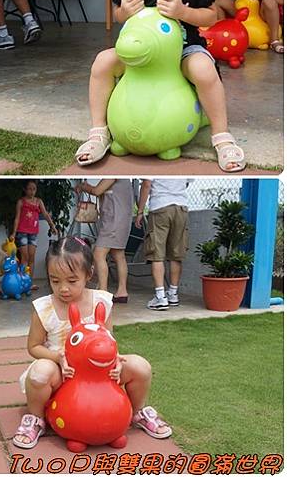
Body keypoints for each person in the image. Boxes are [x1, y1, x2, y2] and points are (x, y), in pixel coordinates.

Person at [75, 0, 246, 173]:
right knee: (102, 62)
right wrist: (124, 11)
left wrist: (183, 13)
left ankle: (221, 136)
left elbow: (211, 15)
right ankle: (98, 132)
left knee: (203, 69)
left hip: (184, 49)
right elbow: (118, 15)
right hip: (140, 53)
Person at [12, 236, 172, 448]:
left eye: (72, 281)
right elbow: (33, 347)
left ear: (88, 274)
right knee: (40, 373)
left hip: (98, 370)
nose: (63, 289)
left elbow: (108, 338)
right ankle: (35, 418)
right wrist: (57, 358)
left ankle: (138, 412)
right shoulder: (44, 307)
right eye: (55, 281)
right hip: (63, 371)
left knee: (140, 367)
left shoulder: (101, 301)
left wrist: (115, 360)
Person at [135, 179, 191, 310]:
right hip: (181, 207)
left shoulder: (152, 167)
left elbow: (146, 184)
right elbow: (186, 183)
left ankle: (160, 297)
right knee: (176, 253)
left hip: (160, 206)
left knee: (156, 253)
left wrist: (140, 211)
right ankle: (173, 294)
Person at [76, 180, 133, 302]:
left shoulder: (114, 173)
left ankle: (103, 292)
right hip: (120, 220)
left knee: (98, 254)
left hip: (114, 221)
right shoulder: (124, 179)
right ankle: (122, 292)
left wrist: (83, 187)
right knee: (118, 255)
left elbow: (97, 190)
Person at [11, 180, 59, 275]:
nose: (32, 191)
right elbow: (17, 218)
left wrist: (52, 226)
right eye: (29, 189)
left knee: (31, 258)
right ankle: (22, 280)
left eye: (34, 189)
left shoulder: (38, 201)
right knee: (25, 257)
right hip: (22, 232)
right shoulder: (21, 202)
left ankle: (29, 281)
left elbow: (45, 214)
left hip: (33, 233)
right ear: (25, 189)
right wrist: (14, 233)